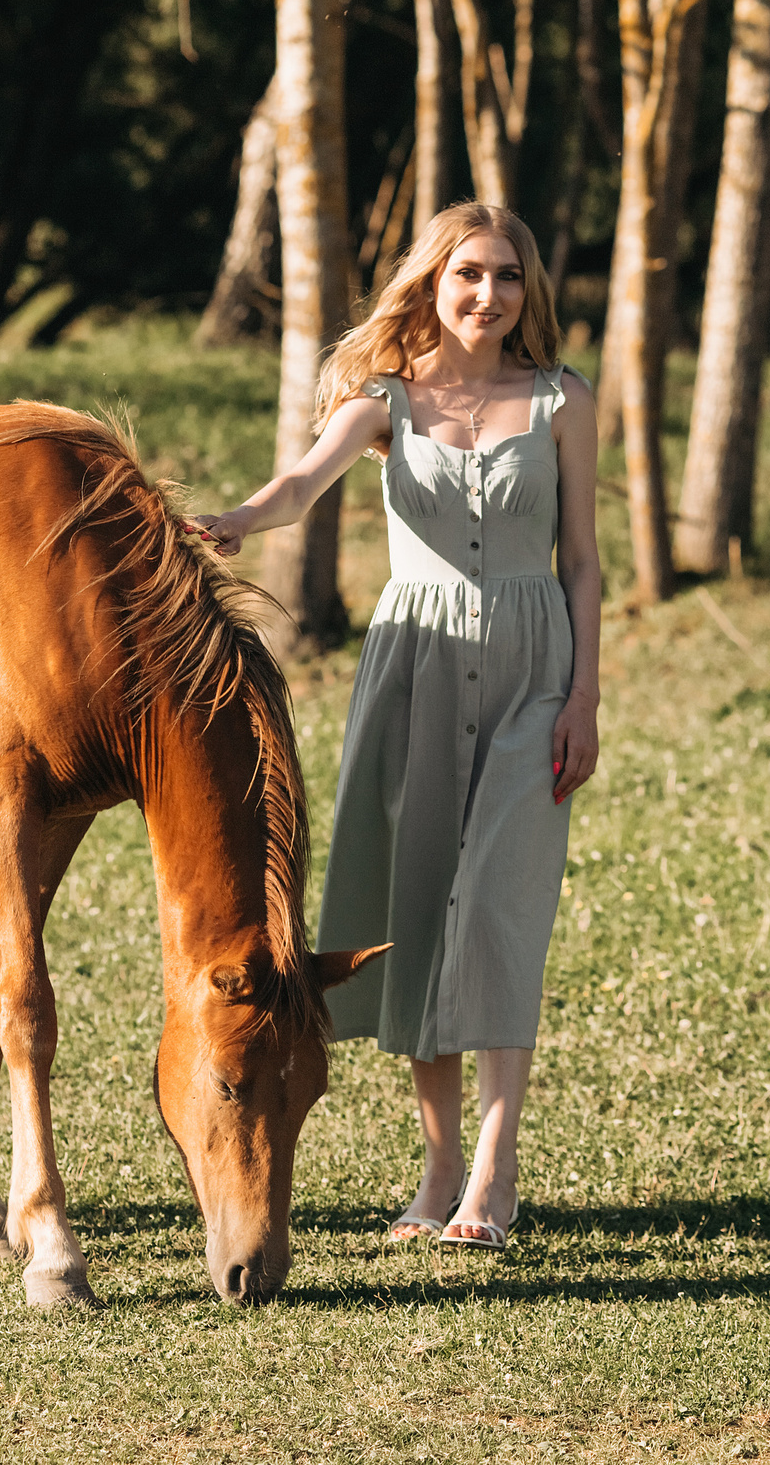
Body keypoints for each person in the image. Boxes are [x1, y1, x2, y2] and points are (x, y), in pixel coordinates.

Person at [191, 202, 601, 1251]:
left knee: (500, 905)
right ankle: (440, 1169)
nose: (488, 294)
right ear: (432, 282)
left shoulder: (561, 399)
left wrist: (584, 698)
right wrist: (237, 519)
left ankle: (496, 1174)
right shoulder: (386, 399)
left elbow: (583, 563)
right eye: (469, 273)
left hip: (533, 672)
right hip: (414, 668)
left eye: (507, 275)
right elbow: (302, 482)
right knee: (419, 910)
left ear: (527, 289)